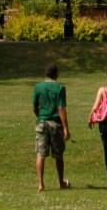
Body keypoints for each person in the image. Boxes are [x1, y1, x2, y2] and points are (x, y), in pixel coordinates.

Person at [33, 62, 71, 192]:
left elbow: (34, 107)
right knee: (58, 154)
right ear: (56, 74)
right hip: (55, 124)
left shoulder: (38, 87)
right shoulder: (60, 88)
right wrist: (66, 127)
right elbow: (61, 108)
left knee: (40, 154)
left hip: (42, 122)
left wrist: (40, 116)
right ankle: (61, 182)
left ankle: (40, 184)